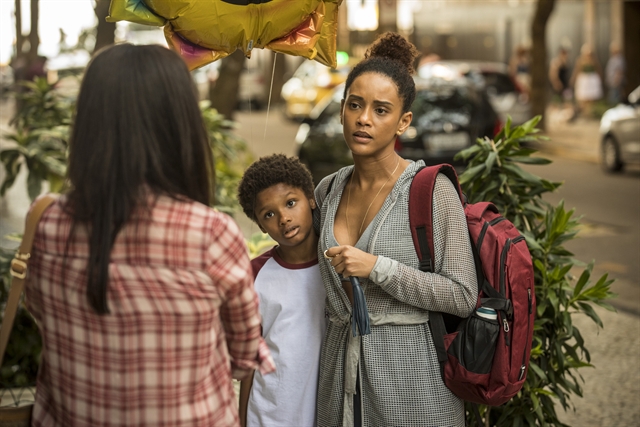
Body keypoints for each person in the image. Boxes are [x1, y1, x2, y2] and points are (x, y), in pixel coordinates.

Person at [24, 44, 274, 426]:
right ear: (181, 126)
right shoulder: (210, 234)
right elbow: (242, 357)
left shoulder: (48, 223)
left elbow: (41, 315)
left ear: (89, 124)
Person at [314, 33, 478, 426]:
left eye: (381, 109)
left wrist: (378, 268)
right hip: (339, 392)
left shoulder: (430, 191)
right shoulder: (328, 190)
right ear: (341, 110)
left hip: (412, 392)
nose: (364, 118)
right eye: (354, 105)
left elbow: (463, 294)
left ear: (404, 121)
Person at [237, 154, 327, 427]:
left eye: (290, 203)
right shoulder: (254, 274)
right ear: (261, 226)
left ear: (311, 199)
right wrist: (241, 420)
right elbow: (250, 359)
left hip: (327, 410)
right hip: (269, 415)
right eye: (269, 214)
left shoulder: (338, 263)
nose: (284, 218)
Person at [571, 43, 603, 116]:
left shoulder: (594, 61)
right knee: (583, 97)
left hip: (592, 80)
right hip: (584, 80)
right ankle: (584, 112)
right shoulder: (580, 61)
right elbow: (577, 71)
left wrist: (600, 79)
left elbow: (598, 70)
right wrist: (573, 79)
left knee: (591, 97)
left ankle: (590, 112)